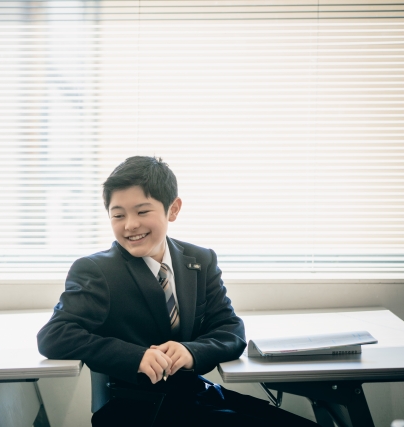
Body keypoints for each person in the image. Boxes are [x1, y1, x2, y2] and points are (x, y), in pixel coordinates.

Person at [37, 156, 318, 426]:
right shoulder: (96, 270)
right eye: (118, 215)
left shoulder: (200, 260)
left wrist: (191, 351)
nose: (130, 225)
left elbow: (230, 329)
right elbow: (54, 336)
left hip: (195, 397)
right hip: (137, 409)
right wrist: (136, 356)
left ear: (173, 209)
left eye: (142, 211)